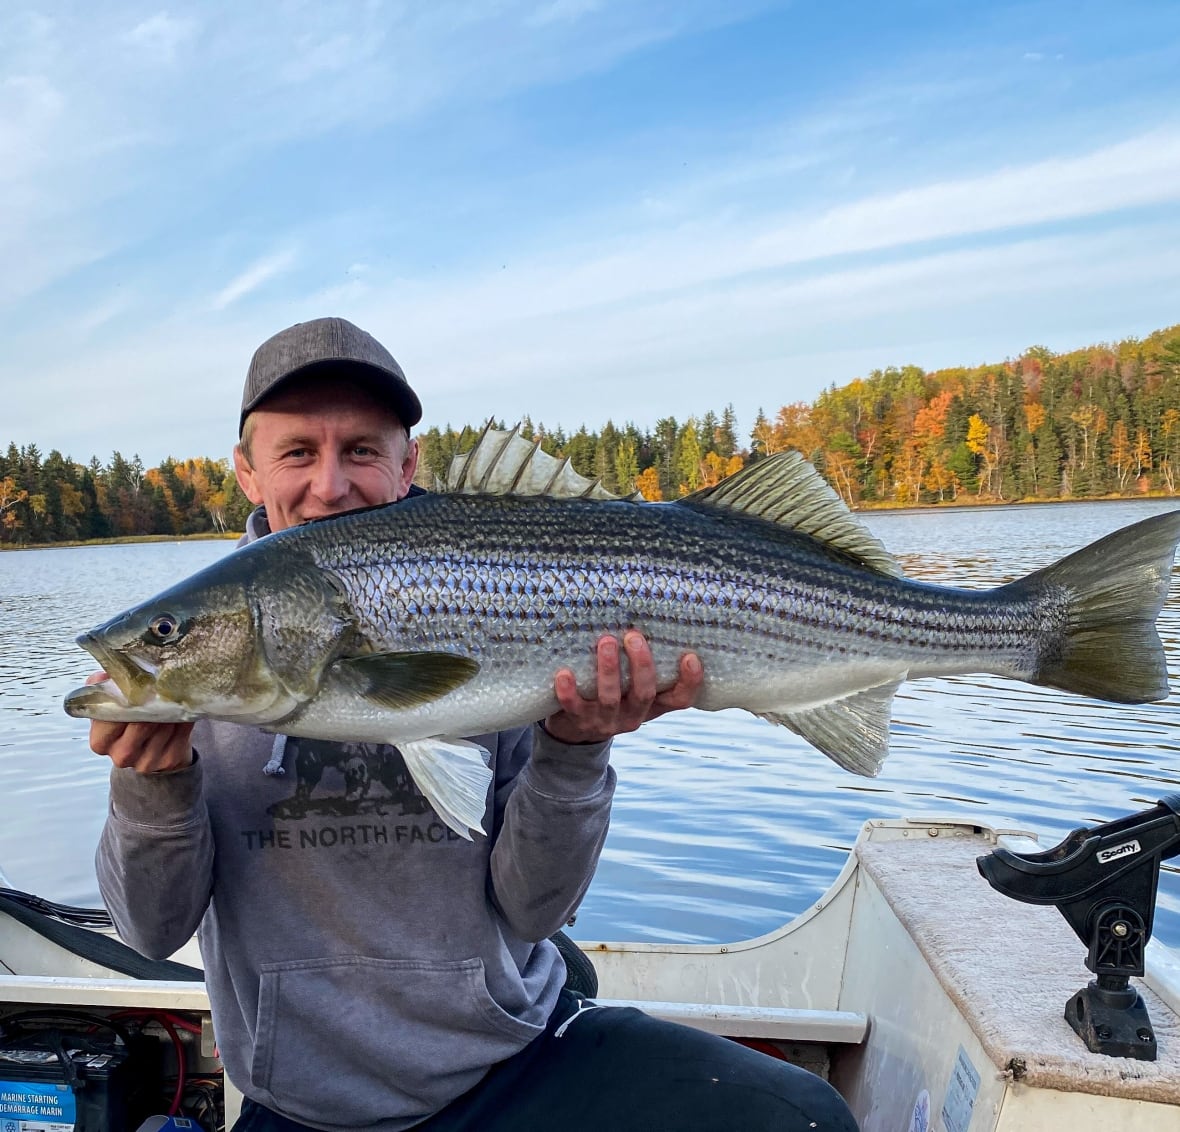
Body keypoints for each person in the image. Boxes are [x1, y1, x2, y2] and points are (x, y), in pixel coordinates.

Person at [92, 318, 859, 1132]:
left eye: (360, 449)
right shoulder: (199, 668)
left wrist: (574, 747)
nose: (330, 484)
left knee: (799, 1118)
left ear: (407, 462)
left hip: (510, 1065)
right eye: (296, 453)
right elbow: (151, 932)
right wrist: (154, 785)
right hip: (299, 1102)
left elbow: (536, 914)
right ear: (246, 472)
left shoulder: (473, 592)